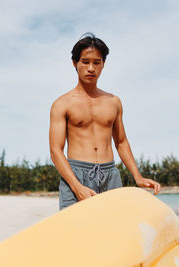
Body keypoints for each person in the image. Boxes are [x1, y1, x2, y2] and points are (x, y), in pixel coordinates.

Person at [49, 33, 160, 210]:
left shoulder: (113, 101)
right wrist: (77, 187)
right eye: (85, 62)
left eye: (97, 62)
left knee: (113, 234)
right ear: (75, 63)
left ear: (103, 65)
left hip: (110, 175)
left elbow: (121, 142)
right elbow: (56, 151)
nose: (91, 68)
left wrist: (138, 177)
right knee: (76, 234)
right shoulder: (61, 104)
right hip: (76, 174)